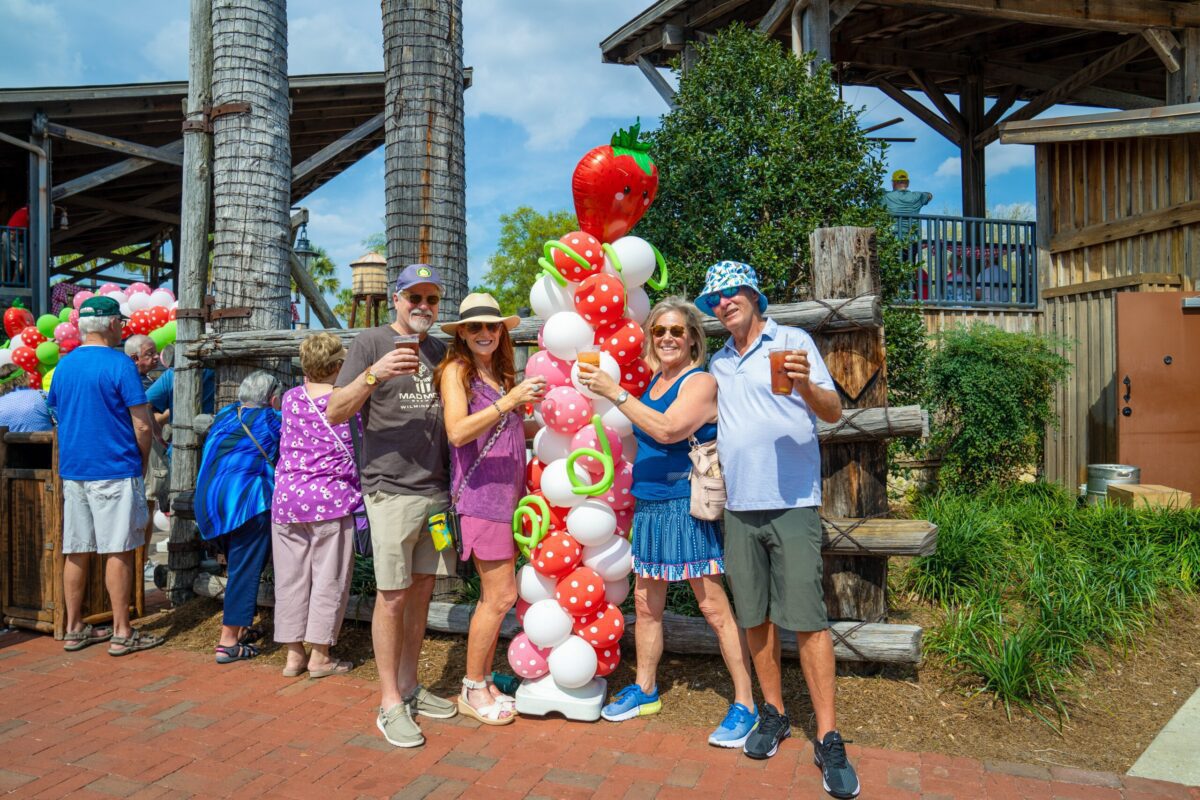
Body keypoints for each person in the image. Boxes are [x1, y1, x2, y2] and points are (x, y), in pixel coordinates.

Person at [695, 261, 860, 798]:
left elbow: (833, 412)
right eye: (715, 298)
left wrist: (805, 385)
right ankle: (774, 714)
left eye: (731, 292)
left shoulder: (792, 340)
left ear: (753, 294)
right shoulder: (719, 362)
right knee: (756, 617)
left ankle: (829, 736)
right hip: (740, 507)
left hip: (792, 502)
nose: (723, 303)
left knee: (808, 620)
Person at [580, 297, 756, 748]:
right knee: (645, 606)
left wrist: (614, 392)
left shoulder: (699, 382)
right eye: (659, 332)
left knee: (714, 607)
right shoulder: (656, 382)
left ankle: (747, 704)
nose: (668, 338)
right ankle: (646, 689)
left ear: (693, 338)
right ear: (650, 339)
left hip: (686, 505)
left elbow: (668, 430)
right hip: (651, 506)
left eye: (677, 331)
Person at [326, 263, 458, 748]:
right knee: (393, 595)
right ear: (396, 299)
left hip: (436, 493)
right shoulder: (370, 342)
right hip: (390, 491)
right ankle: (388, 703)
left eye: (431, 299)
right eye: (414, 298)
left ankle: (409, 686)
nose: (423, 307)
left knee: (423, 591)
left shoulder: (442, 349)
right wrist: (373, 375)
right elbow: (337, 410)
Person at [435, 293, 544, 726]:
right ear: (462, 332)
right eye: (475, 327)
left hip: (508, 500)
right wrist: (509, 399)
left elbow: (512, 428)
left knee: (497, 597)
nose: (485, 333)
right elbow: (458, 432)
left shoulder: (497, 374)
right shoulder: (458, 372)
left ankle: (482, 681)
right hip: (481, 501)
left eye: (492, 326)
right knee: (498, 597)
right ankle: (472, 686)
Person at [45, 296, 161, 655]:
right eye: (120, 322)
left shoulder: (64, 366)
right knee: (119, 549)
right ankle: (122, 631)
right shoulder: (119, 364)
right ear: (111, 324)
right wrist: (141, 463)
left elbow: (55, 413)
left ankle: (74, 625)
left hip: (76, 469)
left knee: (76, 549)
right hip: (114, 467)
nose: (123, 327)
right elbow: (142, 424)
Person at [272, 333, 360, 679]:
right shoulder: (346, 401)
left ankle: (293, 655)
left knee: (290, 578)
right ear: (339, 365)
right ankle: (320, 655)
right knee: (328, 577)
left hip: (287, 499)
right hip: (331, 501)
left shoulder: (290, 399)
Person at [194, 371, 281, 664]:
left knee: (237, 566)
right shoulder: (271, 421)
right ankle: (228, 641)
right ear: (273, 398)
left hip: (209, 501)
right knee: (245, 570)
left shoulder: (226, 415)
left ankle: (239, 628)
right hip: (245, 502)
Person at [0, 364, 53, 432]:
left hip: (8, 442)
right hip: (45, 441)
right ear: (24, 376)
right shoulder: (43, 396)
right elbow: (62, 419)